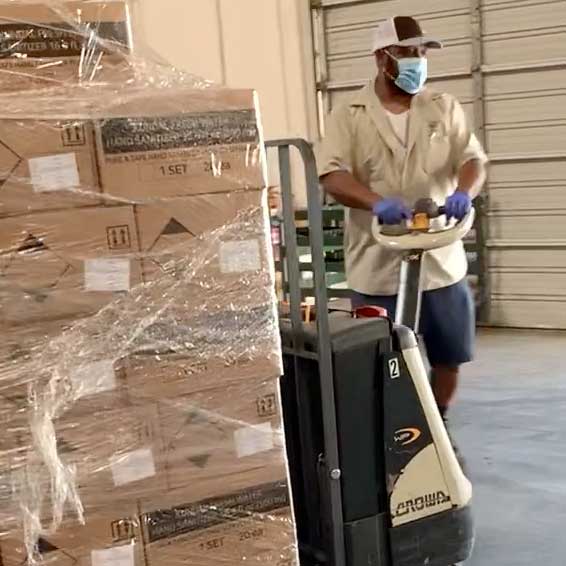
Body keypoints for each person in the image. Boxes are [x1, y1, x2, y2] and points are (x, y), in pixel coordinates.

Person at [316, 15, 488, 430]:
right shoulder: (348, 114)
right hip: (378, 263)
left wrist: (464, 191)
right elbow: (332, 174)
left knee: (449, 352)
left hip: (440, 259)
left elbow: (472, 160)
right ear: (382, 57)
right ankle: (393, 431)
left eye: (422, 53)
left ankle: (437, 423)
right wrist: (375, 202)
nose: (418, 60)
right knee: (381, 358)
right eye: (409, 52)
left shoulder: (442, 107)